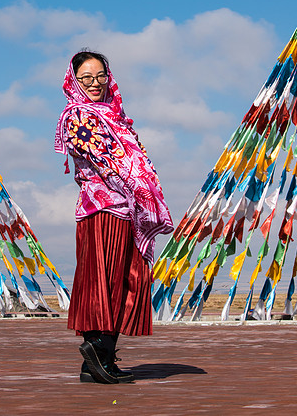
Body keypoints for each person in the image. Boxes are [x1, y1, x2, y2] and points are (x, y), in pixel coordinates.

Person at [55, 50, 173, 384]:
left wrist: (142, 191)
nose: (94, 84)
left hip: (128, 212)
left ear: (109, 77)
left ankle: (97, 361)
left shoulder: (115, 117)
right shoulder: (76, 116)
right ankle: (96, 347)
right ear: (73, 81)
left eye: (100, 76)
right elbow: (109, 162)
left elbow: (136, 159)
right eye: (86, 78)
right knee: (102, 282)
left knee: (126, 280)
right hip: (100, 209)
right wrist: (141, 187)